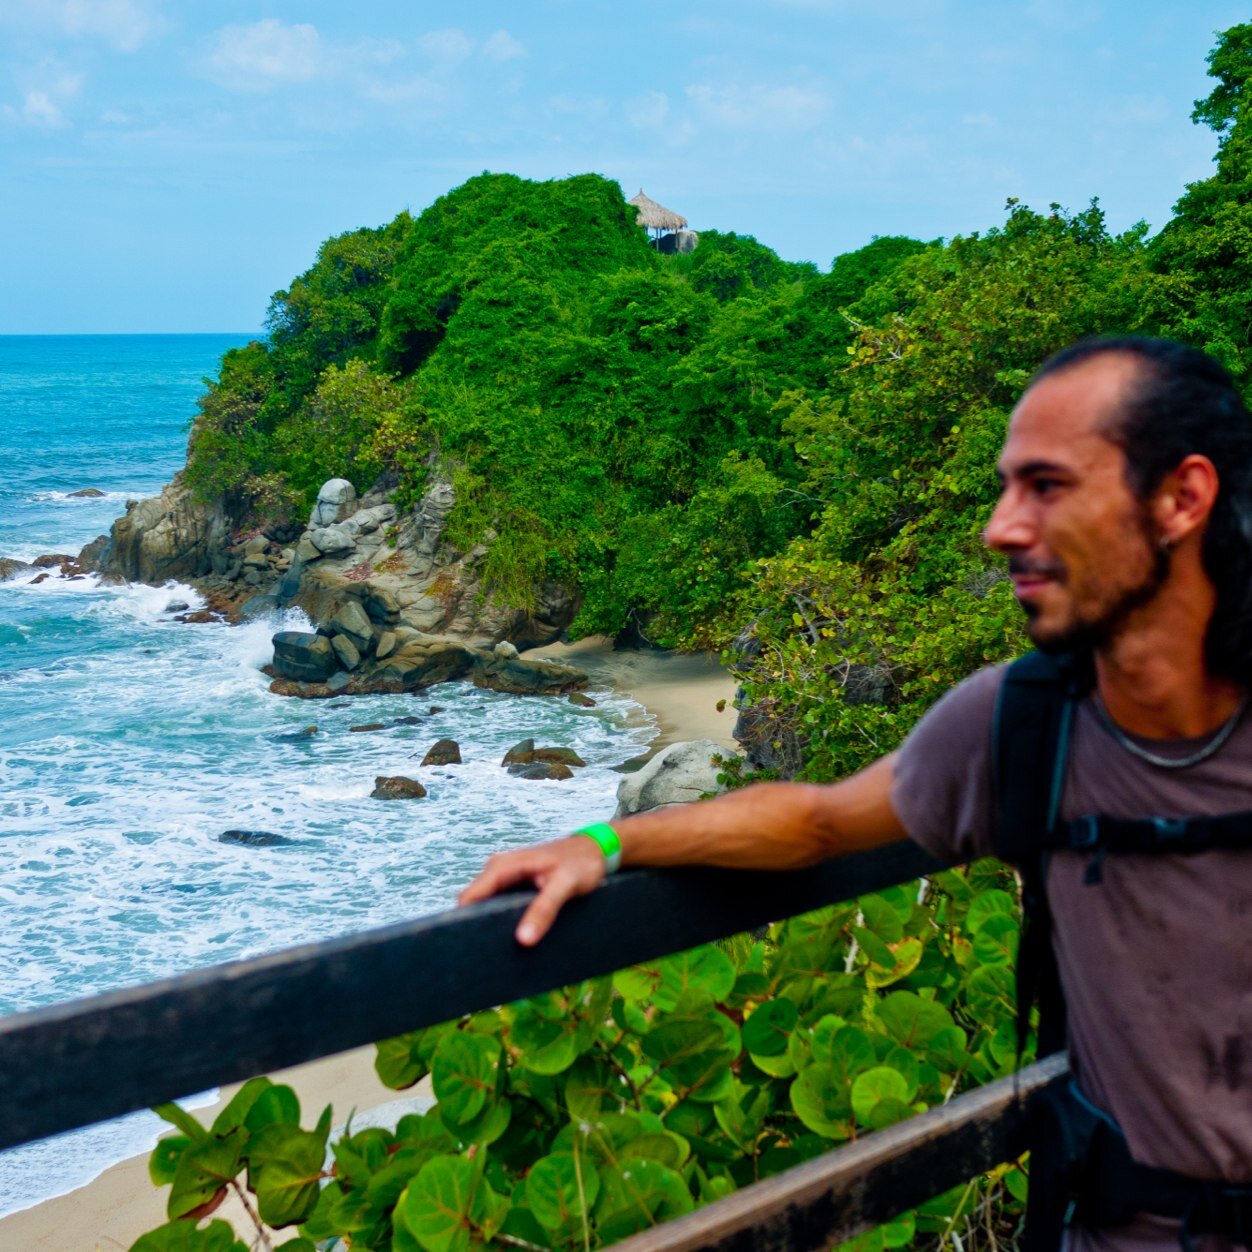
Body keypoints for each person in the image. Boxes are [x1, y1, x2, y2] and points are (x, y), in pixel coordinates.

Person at [459, 337, 1252, 1252]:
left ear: (1182, 498)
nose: (1000, 527)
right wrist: (603, 845)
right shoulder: (1022, 724)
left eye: (1048, 486)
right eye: (1004, 487)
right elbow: (816, 819)